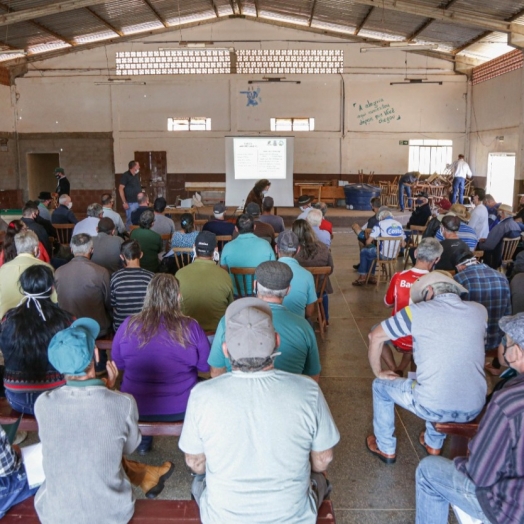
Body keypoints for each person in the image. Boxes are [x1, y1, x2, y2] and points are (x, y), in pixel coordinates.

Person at [179, 298, 339, 523]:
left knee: (199, 479)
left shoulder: (201, 395)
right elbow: (323, 458)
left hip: (223, 517)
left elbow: (195, 462)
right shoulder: (308, 390)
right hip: (293, 517)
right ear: (277, 341)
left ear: (225, 350)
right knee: (319, 477)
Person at [35, 318, 174, 523]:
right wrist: (111, 389)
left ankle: (148, 475)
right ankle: (147, 476)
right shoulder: (123, 403)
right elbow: (128, 447)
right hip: (113, 513)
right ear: (96, 354)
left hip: (55, 514)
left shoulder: (43, 404)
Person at [366, 271, 487, 464]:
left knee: (381, 387)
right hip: (474, 405)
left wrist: (378, 372)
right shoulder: (480, 311)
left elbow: (375, 336)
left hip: (431, 405)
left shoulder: (417, 312)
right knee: (441, 375)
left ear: (429, 291)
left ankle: (385, 446)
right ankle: (433, 443)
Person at [415, 312, 524, 524]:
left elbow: (480, 474)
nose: (504, 346)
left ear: (517, 352)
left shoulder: (509, 402)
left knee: (429, 470)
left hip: (512, 509)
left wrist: (462, 459)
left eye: (507, 341)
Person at [112, 274, 210, 455]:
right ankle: (189, 443)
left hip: (136, 406)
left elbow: (118, 363)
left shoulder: (128, 325)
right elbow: (205, 366)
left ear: (148, 295)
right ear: (178, 296)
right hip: (182, 407)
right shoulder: (190, 326)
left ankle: (144, 442)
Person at [208, 264, 321, 380]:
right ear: (288, 290)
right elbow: (314, 377)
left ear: (255, 285)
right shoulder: (304, 327)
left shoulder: (227, 321)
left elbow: (216, 372)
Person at [0, 265, 74, 414]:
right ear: (52, 288)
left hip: (15, 396)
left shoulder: (8, 318)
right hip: (55, 393)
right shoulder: (66, 319)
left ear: (23, 288)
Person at [381, 238, 443, 375]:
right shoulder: (437, 281)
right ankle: (413, 376)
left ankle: (394, 369)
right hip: (423, 339)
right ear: (437, 259)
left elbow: (387, 304)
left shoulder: (398, 277)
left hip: (398, 337)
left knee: (375, 334)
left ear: (415, 254)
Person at [453, 249, 511, 375]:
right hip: (498, 339)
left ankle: (466, 371)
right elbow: (508, 312)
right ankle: (495, 367)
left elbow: (455, 315)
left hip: (472, 341)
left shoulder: (459, 279)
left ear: (461, 266)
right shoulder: (502, 276)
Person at [55, 233, 112, 338]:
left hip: (67, 327)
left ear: (71, 250)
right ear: (92, 250)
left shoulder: (58, 272)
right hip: (96, 329)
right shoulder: (101, 272)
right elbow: (108, 302)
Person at [176, 231, 234, 334]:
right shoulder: (224, 275)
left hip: (188, 334)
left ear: (194, 248)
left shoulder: (179, 274)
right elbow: (230, 308)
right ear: (216, 250)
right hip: (216, 333)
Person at [0, 231, 57, 318]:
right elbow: (54, 299)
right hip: (37, 319)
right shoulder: (46, 268)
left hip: (6, 321)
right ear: (36, 249)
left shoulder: (3, 269)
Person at [220, 214, 276, 295]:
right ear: (254, 227)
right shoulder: (266, 245)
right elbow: (272, 269)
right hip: (260, 294)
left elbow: (223, 272)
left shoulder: (227, 247)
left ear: (236, 229)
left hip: (235, 294)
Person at [292, 219, 334, 323]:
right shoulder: (323, 248)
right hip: (319, 287)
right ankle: (325, 318)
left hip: (299, 288)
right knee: (322, 291)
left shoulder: (293, 252)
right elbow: (330, 269)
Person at [352, 208, 405, 286]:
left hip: (382, 255)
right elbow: (403, 245)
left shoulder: (379, 224)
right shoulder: (399, 225)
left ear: (381, 217)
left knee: (365, 252)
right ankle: (371, 276)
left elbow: (367, 242)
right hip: (394, 256)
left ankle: (363, 276)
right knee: (372, 252)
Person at [110, 240, 153, 332]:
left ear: (122, 257)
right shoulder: (151, 277)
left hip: (121, 329)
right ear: (141, 254)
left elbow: (113, 305)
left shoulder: (115, 277)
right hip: (146, 329)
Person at [275, 230, 316, 318]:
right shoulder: (307, 275)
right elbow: (310, 311)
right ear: (298, 250)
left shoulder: (265, 272)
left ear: (276, 248)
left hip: (271, 327)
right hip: (298, 325)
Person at [478, 204, 521, 269]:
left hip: (496, 258)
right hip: (509, 256)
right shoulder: (516, 225)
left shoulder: (501, 227)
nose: (498, 214)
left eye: (499, 212)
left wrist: (479, 244)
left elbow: (489, 246)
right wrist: (487, 240)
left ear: (502, 213)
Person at [119, 160, 141, 229]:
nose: (139, 167)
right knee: (130, 220)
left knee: (137, 219)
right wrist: (124, 202)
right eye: (138, 165)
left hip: (138, 202)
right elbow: (120, 189)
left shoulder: (136, 175)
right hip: (130, 203)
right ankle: (129, 235)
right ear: (134, 167)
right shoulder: (126, 175)